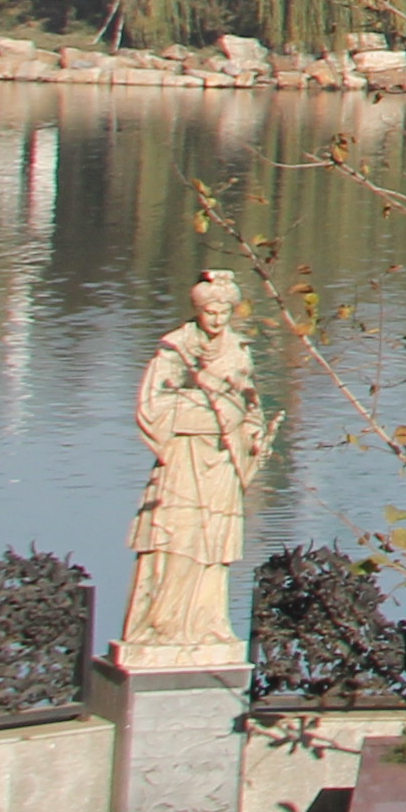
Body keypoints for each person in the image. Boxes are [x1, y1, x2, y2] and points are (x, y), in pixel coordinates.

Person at [123, 267, 273, 659]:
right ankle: (162, 624)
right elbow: (151, 407)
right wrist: (203, 412)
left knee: (213, 544)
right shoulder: (175, 350)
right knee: (175, 536)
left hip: (223, 461)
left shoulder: (238, 351)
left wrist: (253, 435)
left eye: (225, 313)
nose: (218, 320)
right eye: (211, 312)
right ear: (198, 310)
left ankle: (208, 624)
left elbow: (251, 405)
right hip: (184, 459)